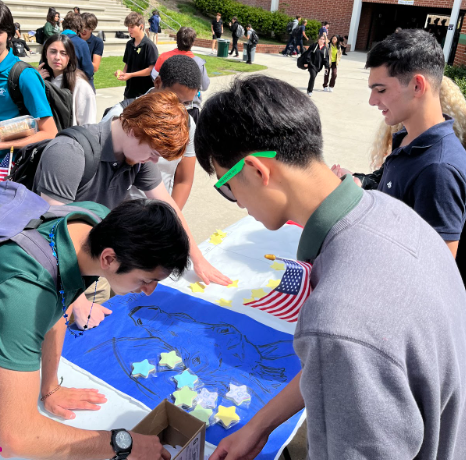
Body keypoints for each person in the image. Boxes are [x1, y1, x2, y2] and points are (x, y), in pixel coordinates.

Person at [193, 74, 466, 460]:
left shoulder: (337, 318)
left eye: (226, 185)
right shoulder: (392, 212)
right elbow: (337, 361)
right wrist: (259, 425)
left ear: (257, 170)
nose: (236, 202)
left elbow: (342, 344)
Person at [0, 195, 189, 460]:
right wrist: (122, 444)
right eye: (145, 280)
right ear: (109, 259)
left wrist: (51, 387)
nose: (148, 292)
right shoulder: (27, 294)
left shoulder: (96, 220)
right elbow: (16, 438)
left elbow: (58, 302)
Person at [33, 90, 230, 328]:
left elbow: (168, 207)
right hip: (50, 272)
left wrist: (196, 258)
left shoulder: (138, 157)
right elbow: (53, 234)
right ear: (134, 130)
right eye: (154, 153)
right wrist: (78, 299)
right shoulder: (70, 152)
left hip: (98, 262)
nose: (155, 161)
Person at [331, 29, 466, 284]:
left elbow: (435, 276)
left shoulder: (438, 169)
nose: (372, 101)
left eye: (380, 89)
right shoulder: (407, 140)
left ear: (417, 85)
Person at [103, 55, 200, 211]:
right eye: (173, 99)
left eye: (186, 103)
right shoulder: (120, 117)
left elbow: (184, 180)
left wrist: (170, 217)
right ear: (158, 82)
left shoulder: (188, 124)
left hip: (157, 219)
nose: (179, 109)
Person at [0, 2, 57, 162]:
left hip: (8, 172)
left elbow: (49, 132)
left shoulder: (24, 75)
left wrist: (2, 144)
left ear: (10, 35)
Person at [150, 27, 210, 123]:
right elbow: (204, 86)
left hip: (166, 105)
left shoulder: (164, 57)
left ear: (177, 40)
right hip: (190, 107)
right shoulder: (198, 63)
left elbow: (154, 76)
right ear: (193, 42)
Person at [38, 34, 96, 126]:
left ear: (70, 57)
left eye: (63, 53)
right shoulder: (41, 80)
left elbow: (88, 126)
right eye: (53, 52)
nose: (57, 57)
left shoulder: (80, 86)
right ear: (46, 53)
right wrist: (35, 84)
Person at [116, 12, 158, 99]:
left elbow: (151, 70)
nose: (129, 30)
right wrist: (122, 73)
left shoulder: (149, 46)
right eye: (128, 27)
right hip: (129, 92)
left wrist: (130, 75)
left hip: (144, 94)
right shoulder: (129, 44)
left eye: (132, 27)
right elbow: (127, 64)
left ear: (141, 26)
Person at [61, 12, 94, 87]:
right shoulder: (81, 43)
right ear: (80, 27)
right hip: (74, 85)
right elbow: (89, 71)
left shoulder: (49, 41)